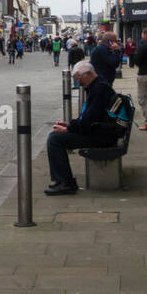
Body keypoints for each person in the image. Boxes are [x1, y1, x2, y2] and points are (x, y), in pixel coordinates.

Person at [44, 61, 121, 195]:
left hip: (102, 136)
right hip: (102, 131)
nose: (79, 83)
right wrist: (70, 126)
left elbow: (88, 121)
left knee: (55, 139)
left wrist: (69, 129)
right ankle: (61, 179)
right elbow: (88, 119)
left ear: (88, 74)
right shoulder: (98, 86)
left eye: (79, 79)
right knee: (56, 137)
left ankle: (65, 182)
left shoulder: (99, 90)